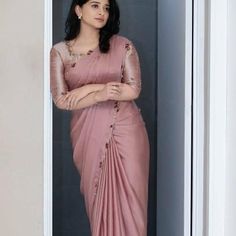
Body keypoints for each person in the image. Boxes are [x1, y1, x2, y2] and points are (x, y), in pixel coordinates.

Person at [50, 0, 150, 235]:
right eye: (95, 5)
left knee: (132, 206)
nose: (102, 12)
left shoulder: (123, 46)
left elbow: (133, 90)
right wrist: (99, 94)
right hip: (88, 134)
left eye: (106, 8)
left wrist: (86, 90)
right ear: (78, 10)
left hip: (127, 131)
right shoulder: (61, 52)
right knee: (99, 204)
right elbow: (62, 99)